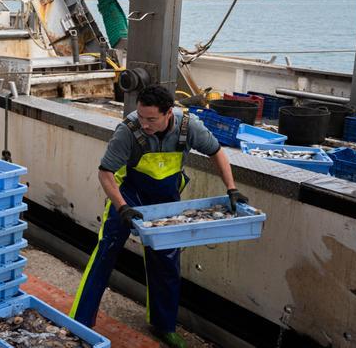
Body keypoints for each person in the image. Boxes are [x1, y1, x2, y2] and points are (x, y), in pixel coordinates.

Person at [70, 85, 248, 348]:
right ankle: (80, 322)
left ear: (168, 113)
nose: (144, 124)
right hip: (128, 197)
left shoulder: (190, 127)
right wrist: (122, 208)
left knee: (167, 262)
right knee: (106, 252)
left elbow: (217, 152)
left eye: (151, 119)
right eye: (141, 116)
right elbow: (105, 174)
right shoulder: (128, 132)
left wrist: (231, 189)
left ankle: (164, 326)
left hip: (166, 201)